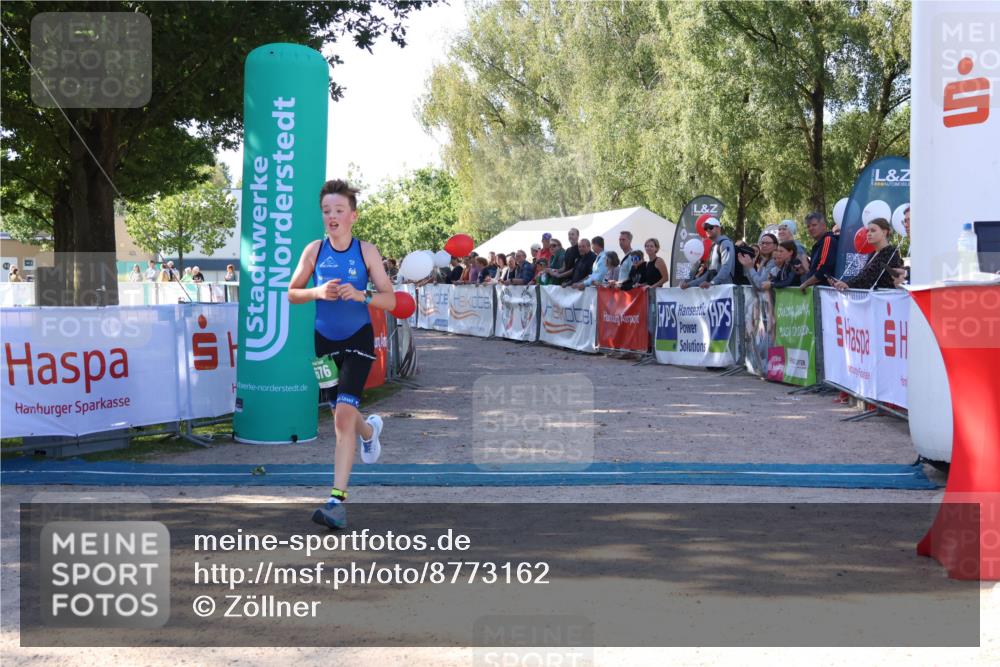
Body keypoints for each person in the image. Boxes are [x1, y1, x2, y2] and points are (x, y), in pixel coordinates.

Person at [288, 179, 395, 530]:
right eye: (326, 211)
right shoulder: (314, 251)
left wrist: (361, 295)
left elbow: (390, 300)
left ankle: (337, 501)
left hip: (358, 339)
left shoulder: (367, 252)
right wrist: (317, 291)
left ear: (353, 216)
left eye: (338, 211)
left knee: (340, 419)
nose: (331, 216)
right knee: (343, 416)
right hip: (324, 343)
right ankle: (369, 432)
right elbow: (292, 293)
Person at [830, 218, 902, 291]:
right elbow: (863, 275)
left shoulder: (890, 252)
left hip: (886, 299)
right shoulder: (874, 253)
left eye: (873, 231)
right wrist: (843, 283)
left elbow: (871, 276)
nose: (868, 234)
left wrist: (848, 284)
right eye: (868, 231)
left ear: (884, 232)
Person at [681, 219, 734, 289]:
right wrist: (689, 284)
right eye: (705, 228)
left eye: (710, 227)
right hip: (717, 291)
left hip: (726, 291)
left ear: (718, 228)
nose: (708, 230)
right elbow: (709, 274)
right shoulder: (713, 246)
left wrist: (712, 283)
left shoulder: (725, 243)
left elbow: (726, 268)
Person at [798, 211, 838, 293]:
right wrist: (805, 270)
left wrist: (806, 283)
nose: (811, 228)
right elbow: (816, 270)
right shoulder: (818, 244)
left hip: (827, 293)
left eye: (814, 225)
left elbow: (823, 270)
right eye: (808, 226)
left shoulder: (828, 240)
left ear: (823, 226)